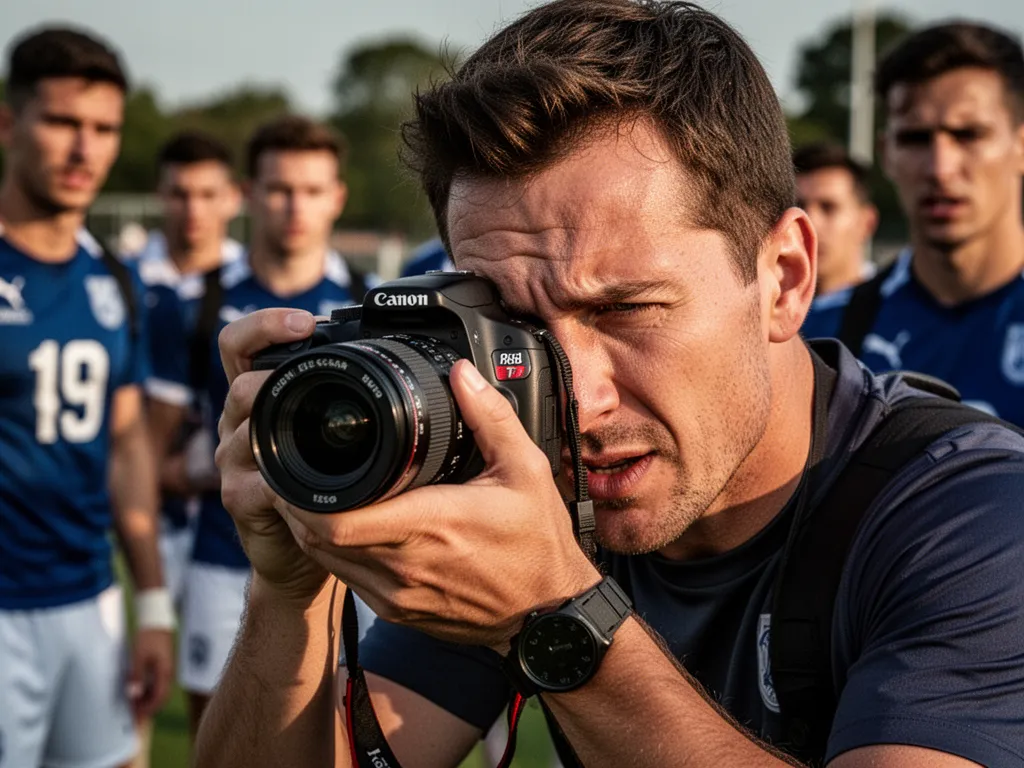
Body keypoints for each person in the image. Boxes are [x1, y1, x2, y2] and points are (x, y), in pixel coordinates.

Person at [199, 2, 1024, 767]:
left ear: (784, 278)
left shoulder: (972, 518)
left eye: (627, 309)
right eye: (516, 331)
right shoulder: (530, 494)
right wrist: (289, 588)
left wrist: (563, 618)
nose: (579, 400)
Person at [145, 114, 364, 740]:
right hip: (222, 556)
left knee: (341, 736)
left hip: (344, 557)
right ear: (248, 193)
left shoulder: (368, 298)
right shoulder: (198, 304)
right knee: (220, 733)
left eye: (312, 190)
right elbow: (154, 454)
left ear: (337, 197)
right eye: (279, 189)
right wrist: (198, 465)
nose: (295, 207)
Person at [0, 26, 173, 768]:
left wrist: (153, 603)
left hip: (92, 599)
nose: (85, 150)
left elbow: (127, 444)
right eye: (63, 122)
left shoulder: (113, 278)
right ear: (9, 124)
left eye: (104, 129)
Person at [801, 22, 1024, 426]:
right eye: (916, 138)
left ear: (1020, 143)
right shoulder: (819, 337)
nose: (940, 168)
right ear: (886, 153)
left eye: (968, 135)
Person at [139, 130, 243, 611]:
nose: (193, 210)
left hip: (222, 515)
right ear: (160, 195)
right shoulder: (125, 279)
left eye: (207, 194)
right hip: (141, 505)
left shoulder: (248, 283)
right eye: (180, 194)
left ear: (233, 198)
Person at [793, 143, 878, 299]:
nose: (810, 222)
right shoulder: (764, 308)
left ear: (867, 223)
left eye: (828, 208)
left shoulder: (897, 308)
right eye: (798, 207)